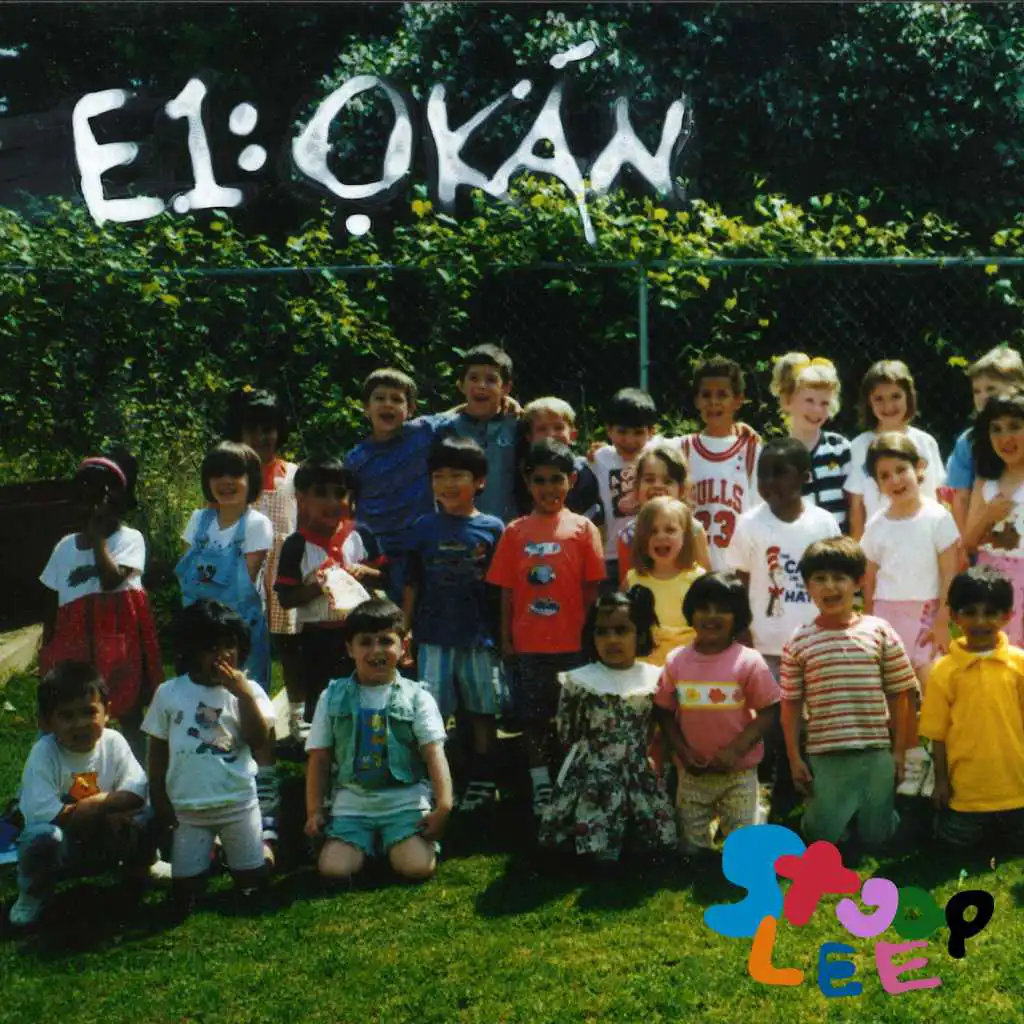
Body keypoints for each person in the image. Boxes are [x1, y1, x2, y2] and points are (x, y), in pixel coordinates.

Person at [487, 439, 606, 816]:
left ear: (572, 480)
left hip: (573, 644)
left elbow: (592, 589)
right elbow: (506, 591)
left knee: (574, 718)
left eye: (557, 479)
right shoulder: (515, 531)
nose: (548, 488)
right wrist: (506, 637)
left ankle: (572, 779)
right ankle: (540, 782)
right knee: (532, 718)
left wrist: (591, 637)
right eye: (539, 480)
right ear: (527, 482)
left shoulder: (584, 529)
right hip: (529, 644)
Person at [781, 537, 918, 851]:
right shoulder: (800, 640)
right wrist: (794, 757)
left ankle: (880, 815)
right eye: (820, 578)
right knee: (823, 840)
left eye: (839, 577)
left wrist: (899, 751)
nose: (830, 586)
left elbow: (900, 693)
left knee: (877, 838)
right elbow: (790, 703)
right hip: (826, 753)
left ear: (858, 582)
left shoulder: (878, 631)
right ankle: (827, 814)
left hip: (875, 749)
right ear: (807, 586)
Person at [303, 599, 453, 882]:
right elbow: (319, 757)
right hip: (352, 805)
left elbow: (434, 753)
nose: (376, 651)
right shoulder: (331, 696)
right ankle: (365, 844)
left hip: (405, 803)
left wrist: (443, 807)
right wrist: (315, 811)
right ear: (350, 649)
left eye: (386, 641)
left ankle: (395, 843)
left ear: (403, 646)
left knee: (416, 868)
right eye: (365, 642)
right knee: (334, 870)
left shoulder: (418, 697)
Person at [142, 600, 276, 906]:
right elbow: (158, 750)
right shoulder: (169, 692)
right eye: (211, 648)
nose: (223, 655)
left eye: (230, 645)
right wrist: (159, 798)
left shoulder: (249, 691)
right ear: (190, 652)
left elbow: (257, 740)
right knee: (187, 890)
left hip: (238, 804)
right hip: (189, 810)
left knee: (252, 883)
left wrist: (243, 697)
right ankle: (211, 851)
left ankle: (266, 844)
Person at [39, 449, 162, 759]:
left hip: (119, 639)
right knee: (76, 703)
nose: (94, 507)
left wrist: (98, 541)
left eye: (103, 497)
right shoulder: (64, 548)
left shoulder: (130, 539)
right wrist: (49, 644)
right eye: (86, 497)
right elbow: (51, 599)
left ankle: (136, 774)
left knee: (127, 706)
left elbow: (110, 580)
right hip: (76, 640)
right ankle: (72, 768)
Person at [403, 436, 505, 813]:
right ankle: (437, 780)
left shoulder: (493, 528)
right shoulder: (423, 527)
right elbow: (412, 582)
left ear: (479, 481)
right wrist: (405, 629)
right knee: (432, 712)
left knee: (482, 710)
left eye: (458, 475)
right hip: (433, 636)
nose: (447, 484)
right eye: (439, 476)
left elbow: (501, 590)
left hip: (478, 637)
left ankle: (483, 778)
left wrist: (502, 635)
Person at [10, 662, 152, 927]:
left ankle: (142, 866)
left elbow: (137, 792)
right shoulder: (45, 753)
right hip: (65, 848)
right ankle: (33, 892)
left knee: (151, 814)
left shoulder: (114, 742)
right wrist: (105, 807)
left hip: (110, 838)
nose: (81, 724)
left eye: (89, 712)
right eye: (67, 716)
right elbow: (44, 814)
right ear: (46, 722)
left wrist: (99, 805)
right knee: (42, 836)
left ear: (107, 712)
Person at [539, 589, 677, 860]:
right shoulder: (581, 681)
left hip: (637, 767)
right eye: (602, 632)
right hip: (592, 770)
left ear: (640, 635)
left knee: (659, 841)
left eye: (621, 630)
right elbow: (567, 729)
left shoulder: (653, 678)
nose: (611, 639)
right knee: (596, 846)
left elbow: (659, 725)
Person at [653, 573, 780, 854]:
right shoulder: (676, 661)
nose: (711, 616)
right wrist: (683, 752)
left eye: (722, 609)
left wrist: (736, 750)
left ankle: (754, 816)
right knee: (691, 849)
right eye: (703, 607)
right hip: (693, 771)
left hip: (739, 771)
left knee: (743, 849)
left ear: (738, 616)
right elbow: (663, 711)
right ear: (690, 612)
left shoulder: (748, 661)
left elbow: (769, 710)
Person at [275, 457, 383, 736]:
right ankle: (324, 752)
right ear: (302, 499)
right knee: (322, 700)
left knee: (363, 694)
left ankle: (363, 750)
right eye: (321, 493)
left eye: (340, 494)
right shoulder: (296, 546)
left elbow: (385, 577)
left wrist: (365, 572)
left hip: (359, 633)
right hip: (316, 637)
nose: (332, 502)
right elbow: (286, 598)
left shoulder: (360, 535)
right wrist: (318, 586)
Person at [920, 566, 1024, 851]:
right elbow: (937, 734)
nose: (980, 621)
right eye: (970, 612)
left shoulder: (1019, 664)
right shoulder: (943, 671)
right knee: (957, 842)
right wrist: (941, 783)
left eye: (990, 613)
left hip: (1017, 790)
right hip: (967, 795)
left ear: (1007, 616)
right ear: (954, 616)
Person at [861, 432, 960, 690]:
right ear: (876, 484)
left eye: (901, 470)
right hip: (886, 616)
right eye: (884, 476)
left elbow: (950, 572)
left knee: (933, 683)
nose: (894, 480)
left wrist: (942, 620)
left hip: (927, 615)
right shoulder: (876, 525)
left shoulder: (937, 518)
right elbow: (869, 579)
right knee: (893, 688)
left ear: (919, 468)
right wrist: (868, 622)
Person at [344, 368, 451, 604]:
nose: (388, 404)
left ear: (410, 409)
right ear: (366, 407)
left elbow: (460, 413)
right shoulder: (355, 459)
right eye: (379, 398)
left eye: (396, 399)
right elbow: (348, 506)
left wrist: (507, 402)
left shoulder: (423, 432)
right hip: (377, 556)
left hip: (421, 549)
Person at [225, 387, 301, 711]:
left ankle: (297, 711)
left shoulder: (293, 474)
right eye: (252, 430)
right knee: (245, 641)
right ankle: (246, 707)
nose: (261, 437)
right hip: (246, 570)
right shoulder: (230, 476)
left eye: (268, 428)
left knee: (289, 644)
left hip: (285, 570)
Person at [177, 441, 273, 688]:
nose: (226, 481)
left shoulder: (256, 524)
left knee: (241, 694)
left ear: (252, 480)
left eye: (235, 474)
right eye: (218, 475)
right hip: (198, 627)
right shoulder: (198, 520)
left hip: (238, 633)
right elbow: (186, 571)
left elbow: (248, 578)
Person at [673, 357, 761, 570]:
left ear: (738, 400)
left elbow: (759, 512)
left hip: (737, 568)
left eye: (722, 395)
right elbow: (638, 449)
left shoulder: (751, 450)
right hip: (693, 567)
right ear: (696, 400)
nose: (713, 402)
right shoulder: (682, 448)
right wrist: (603, 451)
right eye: (706, 395)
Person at [845, 360, 945, 540]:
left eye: (896, 396)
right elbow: (856, 507)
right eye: (879, 399)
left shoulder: (925, 442)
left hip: (925, 537)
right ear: (869, 402)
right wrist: (858, 550)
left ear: (909, 396)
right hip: (880, 541)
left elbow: (939, 496)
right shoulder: (860, 446)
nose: (888, 406)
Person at [964, 390, 1024, 644]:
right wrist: (988, 515)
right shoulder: (985, 481)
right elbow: (968, 542)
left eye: (1015, 427)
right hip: (991, 586)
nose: (1005, 438)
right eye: (996, 429)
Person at [945, 346, 1024, 535]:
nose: (983, 397)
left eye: (991, 389)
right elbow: (961, 496)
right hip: (984, 525)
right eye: (977, 391)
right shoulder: (968, 442)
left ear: (1018, 386)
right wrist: (963, 543)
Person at [770, 352, 852, 530]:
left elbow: (855, 505)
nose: (817, 410)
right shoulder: (776, 456)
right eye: (809, 401)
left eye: (824, 403)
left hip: (839, 543)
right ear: (788, 401)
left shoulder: (840, 448)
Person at [442, 344, 521, 524]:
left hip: (509, 528)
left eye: (491, 380)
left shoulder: (518, 426)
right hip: (458, 529)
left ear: (506, 388)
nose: (481, 386)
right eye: (473, 378)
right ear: (461, 385)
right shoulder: (445, 428)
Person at [624, 496, 705, 666]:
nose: (661, 536)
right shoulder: (633, 580)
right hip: (646, 669)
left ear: (685, 536)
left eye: (670, 530)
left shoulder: (698, 580)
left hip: (687, 667)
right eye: (652, 531)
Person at [615, 443, 711, 585]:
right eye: (649, 480)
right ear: (637, 486)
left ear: (681, 489)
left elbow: (707, 583)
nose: (658, 486)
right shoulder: (628, 535)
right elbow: (627, 585)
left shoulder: (693, 530)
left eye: (667, 481)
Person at [591, 387, 659, 582]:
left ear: (651, 432)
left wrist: (736, 427)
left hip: (653, 551)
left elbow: (696, 441)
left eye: (638, 432)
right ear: (608, 430)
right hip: (612, 554)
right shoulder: (599, 458)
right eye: (622, 431)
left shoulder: (658, 453)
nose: (629, 440)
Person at [516, 396, 602, 524]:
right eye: (541, 429)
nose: (551, 434)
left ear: (573, 435)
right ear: (529, 437)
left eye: (558, 428)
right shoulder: (523, 471)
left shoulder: (587, 469)